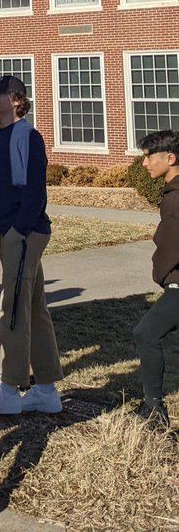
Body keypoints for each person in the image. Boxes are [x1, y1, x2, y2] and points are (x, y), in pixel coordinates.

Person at [0, 75, 62, 417]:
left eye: (3, 94)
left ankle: (9, 388)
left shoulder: (28, 136)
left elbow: (35, 190)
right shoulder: (0, 138)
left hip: (24, 233)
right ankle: (46, 389)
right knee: (35, 308)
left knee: (14, 309)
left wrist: (16, 229)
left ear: (18, 99)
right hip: (15, 231)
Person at [132, 128, 179, 429]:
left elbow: (172, 244)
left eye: (149, 157)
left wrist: (163, 274)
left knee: (146, 333)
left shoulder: (176, 199)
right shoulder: (171, 193)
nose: (145, 163)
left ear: (171, 158)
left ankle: (154, 410)